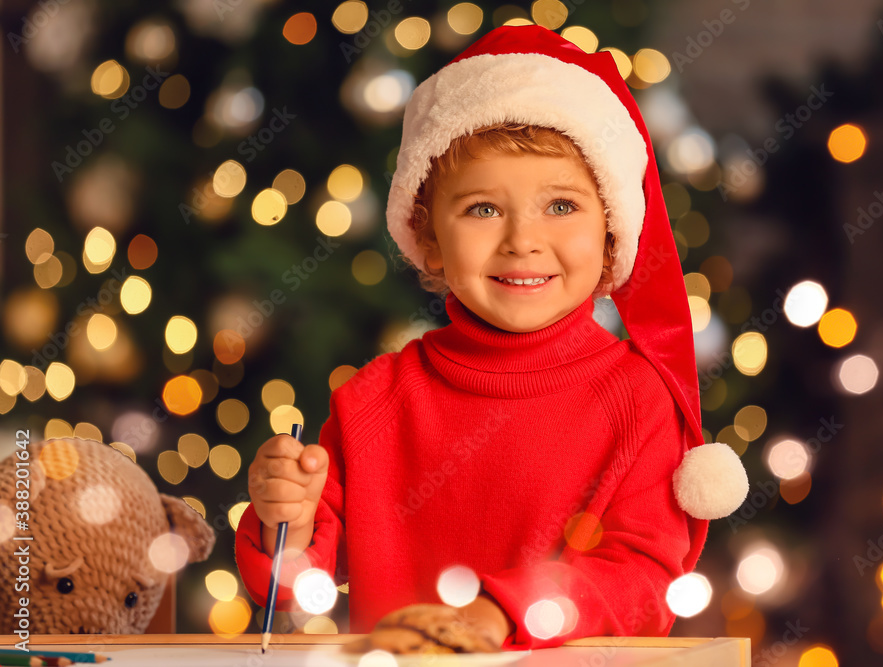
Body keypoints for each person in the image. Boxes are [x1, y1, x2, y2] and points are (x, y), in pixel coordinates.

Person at [234, 24, 748, 654]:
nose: (521, 240)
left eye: (561, 205)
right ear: (427, 237)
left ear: (612, 230)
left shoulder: (640, 401)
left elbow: (641, 580)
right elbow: (293, 590)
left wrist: (502, 612)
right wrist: (283, 519)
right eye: (482, 208)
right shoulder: (371, 402)